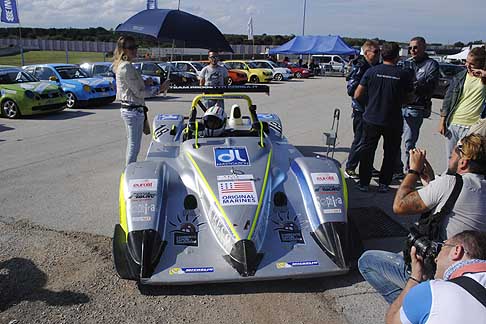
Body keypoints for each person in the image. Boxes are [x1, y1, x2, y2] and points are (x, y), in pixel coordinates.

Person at [358, 133, 486, 304]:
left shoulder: (449, 183)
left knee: (367, 261)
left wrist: (413, 171)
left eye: (456, 151)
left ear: (463, 162)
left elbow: (399, 205)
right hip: (471, 276)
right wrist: (431, 182)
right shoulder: (476, 186)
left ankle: (409, 310)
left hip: (437, 272)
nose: (452, 153)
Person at [385, 230, 486, 324]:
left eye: (442, 248)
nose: (436, 259)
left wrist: (415, 278)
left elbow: (391, 321)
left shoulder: (431, 292)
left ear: (456, 251)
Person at [354, 42, 414, 192]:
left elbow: (357, 94)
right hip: (392, 120)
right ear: (397, 56)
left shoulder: (371, 71)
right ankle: (384, 184)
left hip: (371, 118)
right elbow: (410, 98)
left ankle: (363, 183)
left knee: (367, 151)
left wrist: (371, 103)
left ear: (382, 54)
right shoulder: (403, 74)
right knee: (390, 153)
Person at [113, 36, 170, 165]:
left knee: (133, 144)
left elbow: (132, 86)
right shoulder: (126, 67)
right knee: (134, 145)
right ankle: (129, 170)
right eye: (130, 48)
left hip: (133, 109)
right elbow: (139, 93)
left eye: (135, 47)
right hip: (132, 110)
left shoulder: (127, 66)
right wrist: (160, 89)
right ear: (123, 50)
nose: (134, 50)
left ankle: (129, 168)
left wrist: (145, 82)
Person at [396, 37, 440, 176]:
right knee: (395, 140)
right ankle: (398, 169)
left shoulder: (431, 64)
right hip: (400, 106)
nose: (412, 50)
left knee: (408, 142)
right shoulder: (406, 63)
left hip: (416, 108)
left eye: (415, 47)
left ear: (423, 48)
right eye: (410, 48)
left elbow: (430, 86)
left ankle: (410, 171)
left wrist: (412, 85)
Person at [439, 47, 486, 161]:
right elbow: (448, 99)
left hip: (472, 127)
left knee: (467, 161)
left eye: (472, 64)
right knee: (451, 159)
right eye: (466, 62)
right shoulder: (460, 76)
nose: (467, 66)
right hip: (454, 124)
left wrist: (485, 75)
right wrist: (442, 121)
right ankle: (450, 179)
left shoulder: (484, 79)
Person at [344, 40, 381, 178]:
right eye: (376, 52)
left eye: (379, 51)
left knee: (370, 142)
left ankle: (367, 167)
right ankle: (350, 168)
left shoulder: (376, 66)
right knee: (360, 140)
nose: (379, 54)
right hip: (361, 110)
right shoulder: (360, 66)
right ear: (366, 53)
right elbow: (351, 90)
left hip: (373, 110)